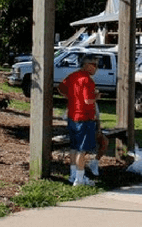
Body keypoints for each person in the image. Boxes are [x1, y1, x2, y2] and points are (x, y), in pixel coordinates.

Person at [58, 54, 100, 186]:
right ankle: (80, 179)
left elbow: (60, 88)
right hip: (85, 117)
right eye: (94, 65)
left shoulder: (72, 76)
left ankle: (73, 175)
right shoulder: (87, 81)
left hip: (72, 116)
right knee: (82, 149)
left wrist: (71, 98)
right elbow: (88, 100)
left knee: (74, 147)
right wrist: (97, 97)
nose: (96, 68)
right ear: (87, 65)